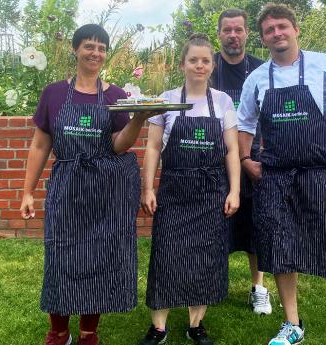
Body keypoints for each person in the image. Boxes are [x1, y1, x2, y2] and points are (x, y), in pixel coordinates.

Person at [237, 4, 326, 345]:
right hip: (275, 177)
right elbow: (244, 123)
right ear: (264, 38)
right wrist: (244, 158)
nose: (277, 34)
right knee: (281, 251)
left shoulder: (325, 66)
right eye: (270, 30)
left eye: (282, 27)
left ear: (296, 29)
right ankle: (292, 325)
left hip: (319, 176)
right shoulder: (257, 79)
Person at [19, 24, 159, 345]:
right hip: (67, 186)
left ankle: (88, 332)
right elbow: (40, 145)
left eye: (101, 47)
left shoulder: (116, 96)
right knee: (60, 255)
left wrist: (137, 118)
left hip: (106, 190)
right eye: (89, 46)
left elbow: (119, 145)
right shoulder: (54, 94)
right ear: (75, 49)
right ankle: (58, 331)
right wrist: (27, 191)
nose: (95, 52)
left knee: (99, 255)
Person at [138, 33, 241, 345]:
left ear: (212, 65)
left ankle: (196, 324)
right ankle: (159, 327)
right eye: (193, 60)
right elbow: (153, 148)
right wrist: (148, 188)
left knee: (206, 257)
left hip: (211, 192)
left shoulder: (223, 101)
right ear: (182, 64)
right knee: (167, 254)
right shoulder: (166, 100)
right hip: (174, 189)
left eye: (205, 60)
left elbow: (232, 150)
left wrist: (234, 190)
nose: (200, 65)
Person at [210, 8, 271, 315]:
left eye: (238, 30)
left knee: (255, 226)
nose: (233, 35)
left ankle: (258, 288)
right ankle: (210, 284)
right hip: (213, 158)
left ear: (247, 34)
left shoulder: (262, 70)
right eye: (227, 30)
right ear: (219, 34)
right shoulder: (207, 69)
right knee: (213, 224)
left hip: (253, 157)